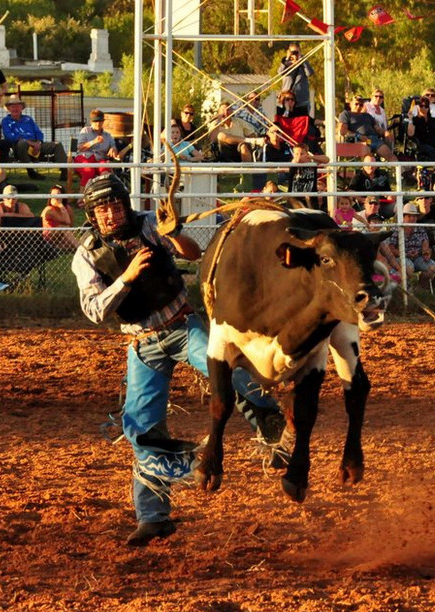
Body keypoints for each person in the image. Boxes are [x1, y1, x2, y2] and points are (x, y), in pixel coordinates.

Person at [70, 173, 286, 546]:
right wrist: (127, 278)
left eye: (116, 205)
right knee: (140, 426)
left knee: (227, 370)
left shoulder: (149, 225)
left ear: (126, 205)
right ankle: (154, 517)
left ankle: (272, 427)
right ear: (92, 214)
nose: (111, 214)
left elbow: (192, 253)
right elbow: (94, 310)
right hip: (142, 344)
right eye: (103, 209)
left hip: (182, 325)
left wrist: (172, 233)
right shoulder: (86, 254)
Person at [1, 93, 68, 179]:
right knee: (22, 143)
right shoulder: (6, 121)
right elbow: (9, 136)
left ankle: (65, 173)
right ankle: (31, 172)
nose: (15, 108)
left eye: (17, 106)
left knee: (57, 145)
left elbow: (39, 133)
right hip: (19, 147)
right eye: (13, 106)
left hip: (36, 144)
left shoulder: (28, 119)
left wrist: (39, 143)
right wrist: (31, 143)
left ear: (21, 108)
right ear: (9, 108)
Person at [338, 95, 397, 162]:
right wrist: (358, 136)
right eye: (356, 104)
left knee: (391, 156)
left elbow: (377, 129)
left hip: (372, 140)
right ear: (350, 104)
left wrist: (385, 132)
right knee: (369, 158)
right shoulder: (346, 114)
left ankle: (401, 171)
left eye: (361, 105)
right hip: (358, 141)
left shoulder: (367, 116)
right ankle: (369, 169)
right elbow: (343, 131)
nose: (358, 106)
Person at [74, 109, 122, 187]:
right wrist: (94, 142)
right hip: (85, 157)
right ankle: (83, 196)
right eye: (95, 121)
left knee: (106, 173)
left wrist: (113, 149)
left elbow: (114, 148)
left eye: (100, 121)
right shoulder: (85, 131)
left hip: (100, 159)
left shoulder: (108, 135)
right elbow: (80, 148)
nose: (98, 123)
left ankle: (101, 194)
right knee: (89, 172)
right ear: (91, 122)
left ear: (103, 122)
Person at [279, 43, 314, 116]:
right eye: (293, 52)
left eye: (296, 52)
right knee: (287, 120)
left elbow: (309, 73)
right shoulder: (286, 64)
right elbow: (280, 73)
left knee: (302, 121)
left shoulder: (303, 64)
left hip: (301, 99)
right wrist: (287, 59)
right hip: (288, 99)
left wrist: (303, 60)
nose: (294, 54)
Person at [406, 94, 435, 160]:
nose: (423, 108)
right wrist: (410, 119)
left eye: (426, 106)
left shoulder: (434, 120)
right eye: (421, 106)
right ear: (418, 107)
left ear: (428, 108)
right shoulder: (415, 120)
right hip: (421, 145)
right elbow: (410, 134)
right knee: (429, 150)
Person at [41, 183, 76, 250]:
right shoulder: (49, 209)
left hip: (59, 237)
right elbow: (67, 222)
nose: (56, 197)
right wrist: (60, 205)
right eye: (53, 195)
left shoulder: (68, 208)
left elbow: (71, 225)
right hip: (47, 238)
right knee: (63, 228)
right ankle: (80, 248)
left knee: (69, 237)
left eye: (58, 194)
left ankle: (55, 248)